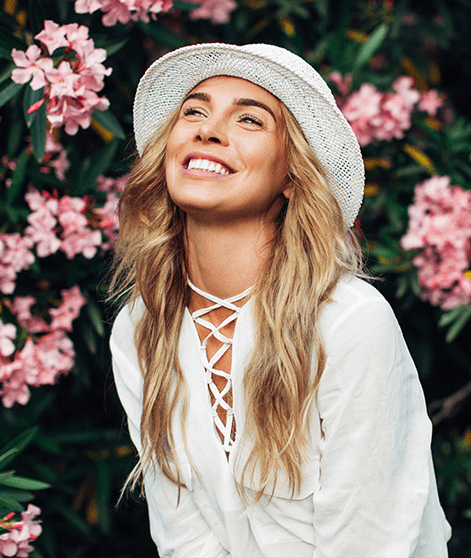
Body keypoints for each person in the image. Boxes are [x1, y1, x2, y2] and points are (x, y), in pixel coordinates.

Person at [109, 42, 451, 557]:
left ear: (292, 176)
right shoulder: (140, 328)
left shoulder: (348, 323)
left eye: (249, 120)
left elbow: (370, 541)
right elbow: (186, 541)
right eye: (194, 111)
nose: (208, 129)